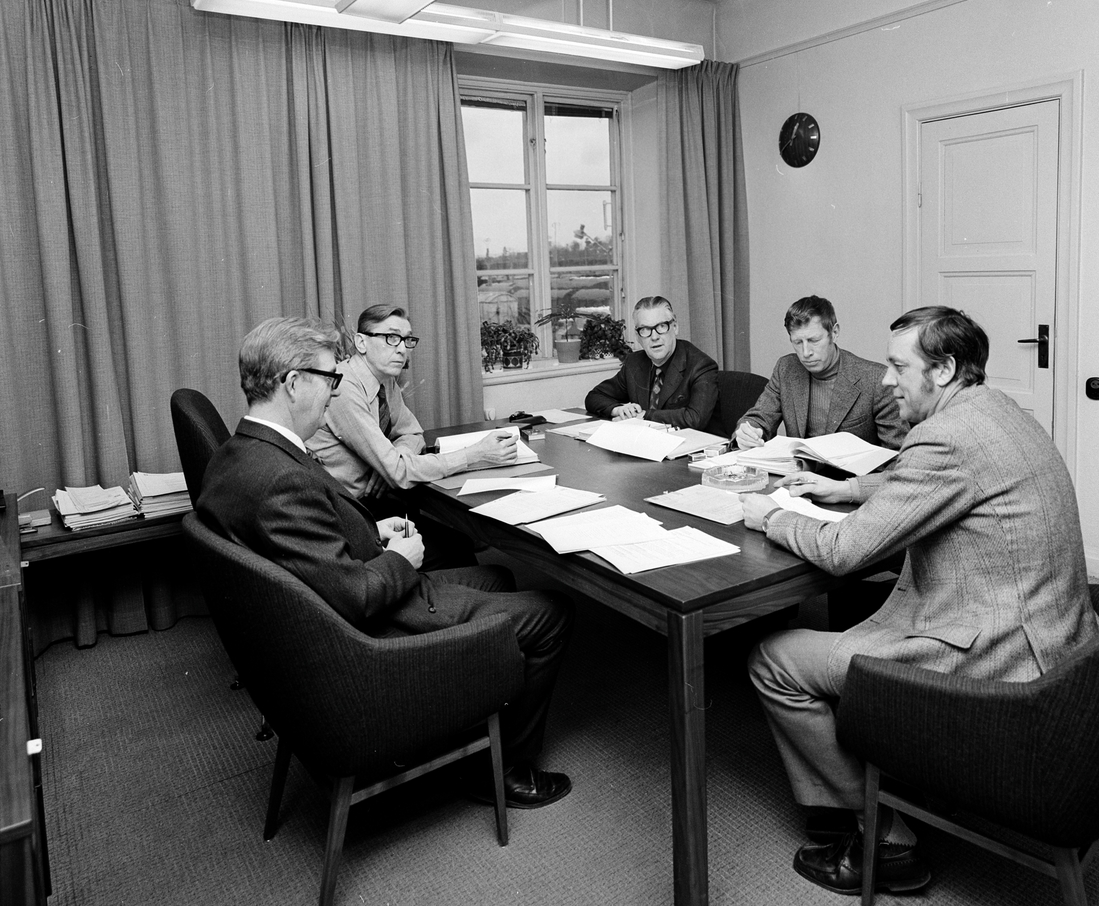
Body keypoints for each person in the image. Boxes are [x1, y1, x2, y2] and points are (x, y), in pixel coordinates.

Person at [739, 306, 1099, 895]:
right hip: (1059, 638)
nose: (886, 380)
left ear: (944, 369)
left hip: (1000, 659)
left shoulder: (943, 437)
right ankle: (882, 776)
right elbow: (927, 476)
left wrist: (771, 517)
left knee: (772, 659)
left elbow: (843, 552)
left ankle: (885, 836)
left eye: (898, 367)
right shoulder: (994, 410)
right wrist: (848, 488)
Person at [198, 315, 575, 808]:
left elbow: (302, 546)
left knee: (498, 576)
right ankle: (506, 773)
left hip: (328, 610)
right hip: (370, 640)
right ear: (292, 384)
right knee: (552, 613)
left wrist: (371, 532)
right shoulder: (281, 480)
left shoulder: (238, 454)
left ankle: (477, 719)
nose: (335, 392)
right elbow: (357, 597)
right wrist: (400, 557)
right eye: (329, 379)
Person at [308, 303, 515, 568]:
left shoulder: (384, 379)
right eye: (391, 337)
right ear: (361, 342)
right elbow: (398, 473)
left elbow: (413, 433)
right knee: (457, 550)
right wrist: (475, 454)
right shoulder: (345, 387)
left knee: (459, 542)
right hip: (349, 514)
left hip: (377, 502)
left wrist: (395, 457)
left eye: (407, 340)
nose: (402, 349)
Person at [734, 295, 905, 502]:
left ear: (835, 332)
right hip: (798, 489)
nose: (806, 353)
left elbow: (899, 461)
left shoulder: (876, 380)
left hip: (849, 495)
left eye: (814, 341)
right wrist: (748, 431)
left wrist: (848, 490)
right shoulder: (786, 368)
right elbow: (760, 416)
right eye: (798, 342)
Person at [584, 296, 718, 429]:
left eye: (661, 326)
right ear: (637, 336)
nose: (654, 337)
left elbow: (695, 418)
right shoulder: (634, 363)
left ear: (675, 327)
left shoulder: (701, 365)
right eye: (645, 330)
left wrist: (643, 416)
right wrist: (619, 410)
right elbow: (594, 397)